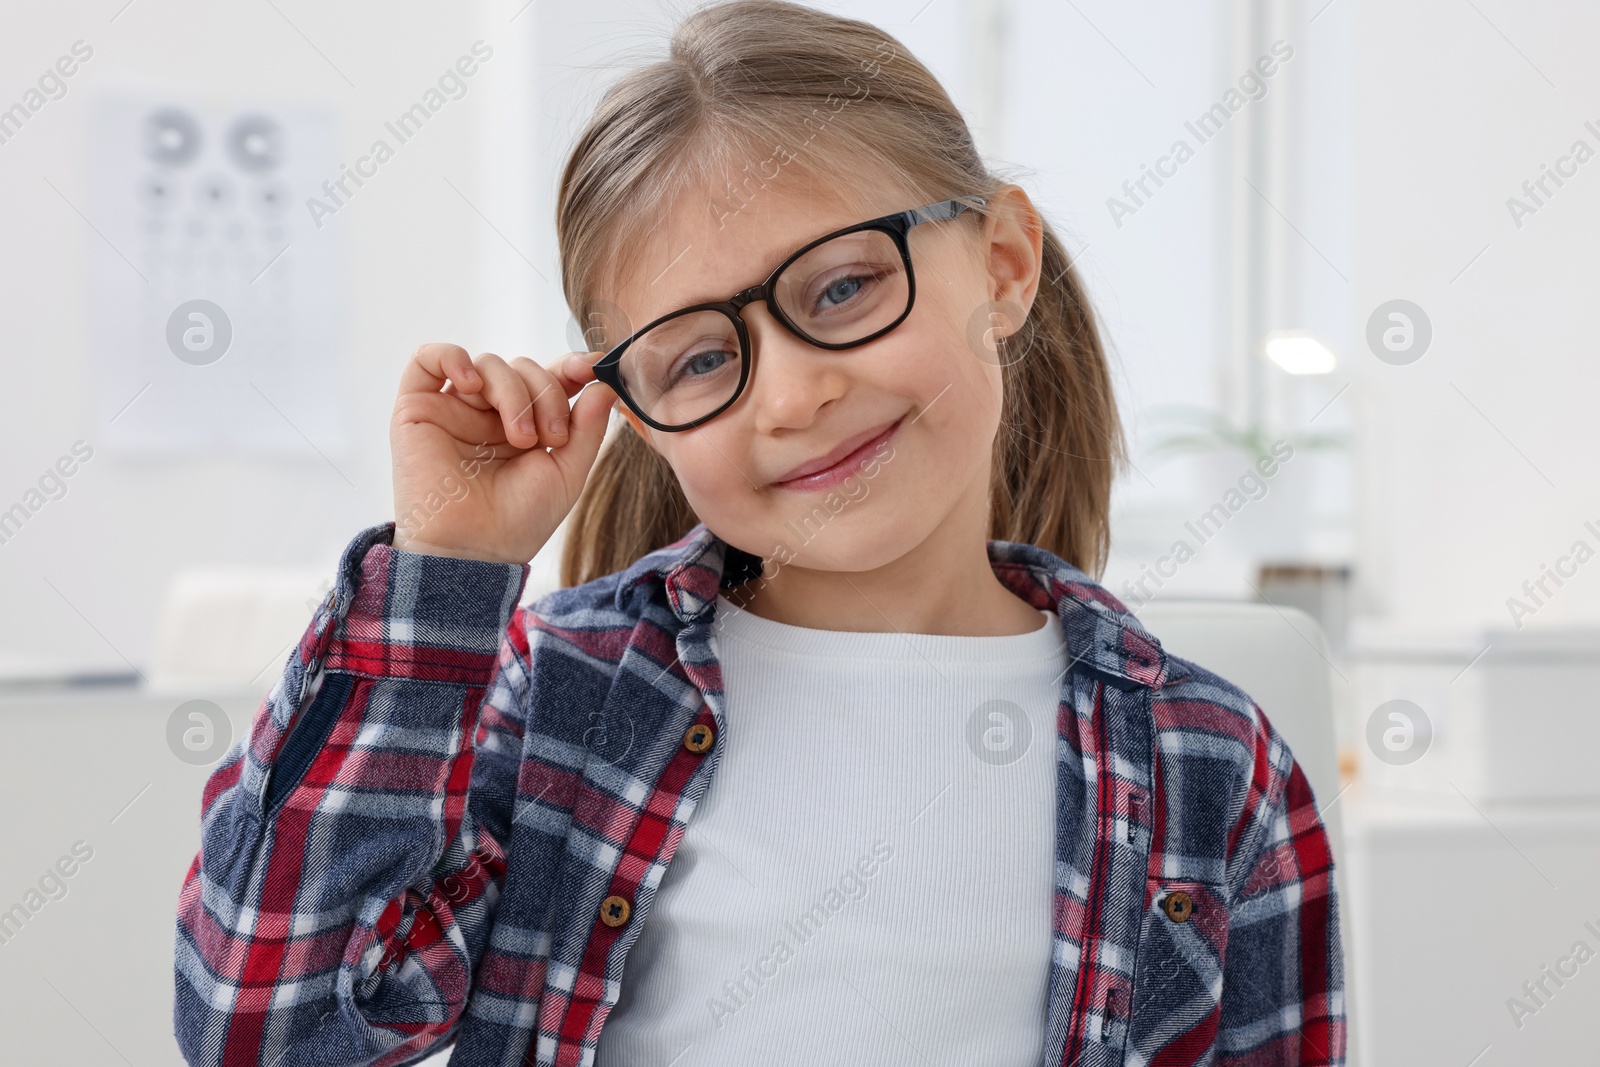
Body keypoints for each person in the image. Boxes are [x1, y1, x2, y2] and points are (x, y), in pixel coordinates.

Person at [172, 2, 1345, 1064]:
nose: (789, 398)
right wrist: (448, 574)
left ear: (1001, 263)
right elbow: (271, 1032)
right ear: (641, 415)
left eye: (841, 289)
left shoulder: (1211, 763)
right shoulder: (553, 702)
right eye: (700, 358)